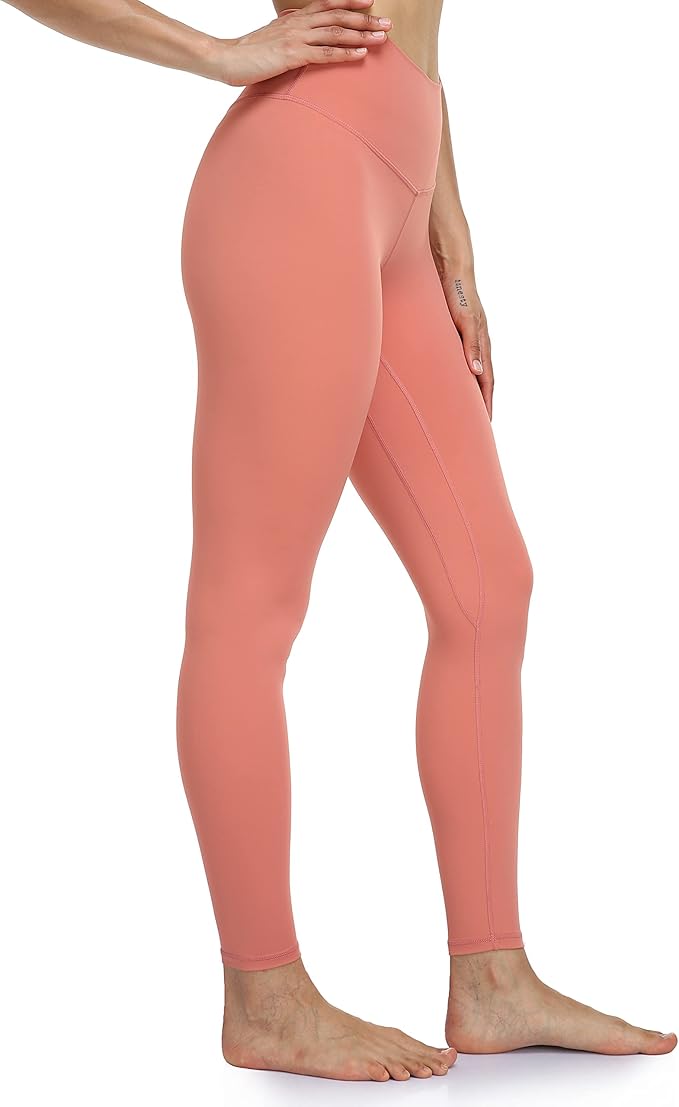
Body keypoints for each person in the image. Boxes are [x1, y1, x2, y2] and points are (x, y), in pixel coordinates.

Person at [5, 0, 676, 1083]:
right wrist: (216, 55)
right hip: (298, 179)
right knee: (251, 603)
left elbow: (418, 33)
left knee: (486, 587)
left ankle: (492, 979)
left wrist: (451, 232)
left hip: (397, 194)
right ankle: (264, 996)